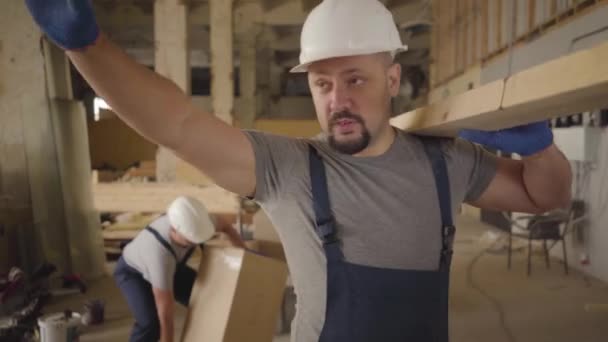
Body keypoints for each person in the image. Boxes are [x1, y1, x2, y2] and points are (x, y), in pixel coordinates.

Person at [25, 0, 572, 341]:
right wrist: (88, 48)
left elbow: (540, 195)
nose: (337, 100)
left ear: (392, 78)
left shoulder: (445, 160)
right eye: (321, 83)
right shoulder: (289, 168)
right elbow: (178, 124)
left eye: (355, 79)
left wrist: (543, 150)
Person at [113, 196, 245, 342]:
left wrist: (246, 256)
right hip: (132, 272)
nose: (195, 243)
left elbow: (226, 226)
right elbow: (166, 313)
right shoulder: (160, 255)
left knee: (206, 299)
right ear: (174, 230)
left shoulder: (199, 223)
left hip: (173, 266)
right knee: (151, 323)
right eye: (190, 240)